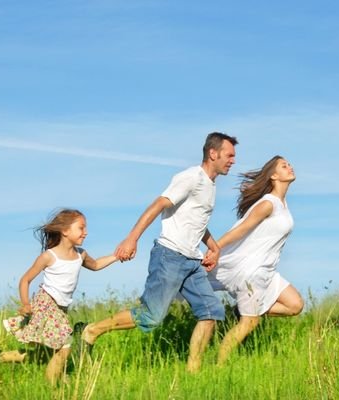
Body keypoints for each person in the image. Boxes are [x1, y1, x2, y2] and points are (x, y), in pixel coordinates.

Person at [80, 132, 238, 372]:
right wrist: (132, 239)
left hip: (192, 261)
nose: (233, 160)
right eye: (229, 155)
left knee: (211, 312)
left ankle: (192, 372)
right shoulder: (190, 178)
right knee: (151, 316)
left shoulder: (210, 185)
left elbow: (195, 221)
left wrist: (213, 246)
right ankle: (91, 330)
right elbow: (158, 204)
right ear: (212, 153)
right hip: (170, 256)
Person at [0, 209, 118, 384]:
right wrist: (26, 304)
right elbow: (25, 280)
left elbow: (96, 265)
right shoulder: (49, 256)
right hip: (47, 304)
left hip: (61, 309)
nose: (86, 232)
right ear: (65, 231)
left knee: (45, 355)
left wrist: (117, 256)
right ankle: (52, 388)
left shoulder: (81, 254)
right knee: (65, 348)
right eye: (81, 228)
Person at [208, 155, 304, 365]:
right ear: (273, 176)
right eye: (284, 166)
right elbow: (241, 229)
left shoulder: (282, 203)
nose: (290, 166)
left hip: (268, 271)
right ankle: (219, 366)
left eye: (289, 163)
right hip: (253, 271)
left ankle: (238, 310)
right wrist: (215, 249)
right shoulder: (268, 204)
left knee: (295, 305)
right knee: (249, 323)